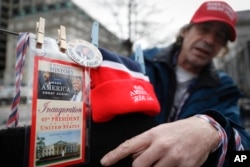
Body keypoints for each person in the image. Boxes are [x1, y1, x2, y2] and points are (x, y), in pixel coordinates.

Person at [100, 1, 250, 167]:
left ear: (222, 48)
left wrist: (212, 130)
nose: (209, 40)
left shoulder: (224, 87)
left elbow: (242, 152)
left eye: (219, 37)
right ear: (185, 31)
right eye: (204, 29)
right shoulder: (142, 63)